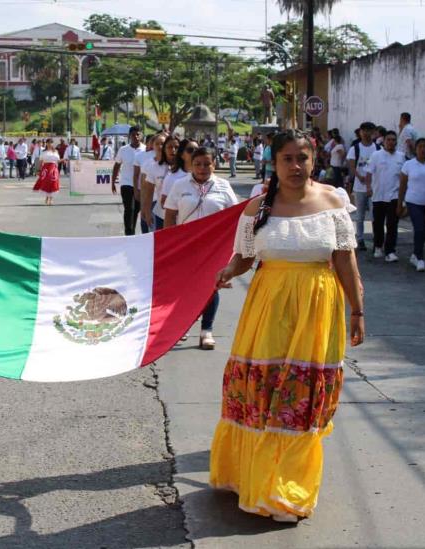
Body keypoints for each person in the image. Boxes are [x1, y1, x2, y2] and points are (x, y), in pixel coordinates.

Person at [211, 129, 364, 522]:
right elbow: (244, 257)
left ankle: (285, 491)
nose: (296, 166)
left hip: (318, 310)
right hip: (267, 308)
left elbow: (345, 261)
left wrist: (357, 310)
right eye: (287, 159)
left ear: (314, 160)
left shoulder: (333, 202)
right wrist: (228, 271)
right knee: (263, 391)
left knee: (300, 397)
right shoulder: (257, 208)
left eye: (303, 158)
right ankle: (251, 475)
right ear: (273, 162)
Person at [164, 147, 238, 349]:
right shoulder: (180, 185)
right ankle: (183, 326)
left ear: (214, 165)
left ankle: (206, 331)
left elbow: (236, 215)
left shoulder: (223, 186)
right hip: (186, 247)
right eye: (198, 164)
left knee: (211, 288)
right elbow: (170, 214)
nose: (202, 168)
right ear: (191, 165)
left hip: (214, 248)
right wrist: (169, 243)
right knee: (185, 288)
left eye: (207, 164)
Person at [366, 131, 405, 262]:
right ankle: (378, 246)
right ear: (384, 141)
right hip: (378, 195)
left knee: (392, 224)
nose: (391, 142)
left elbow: (404, 176)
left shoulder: (401, 156)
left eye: (393, 140)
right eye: (388, 139)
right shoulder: (376, 155)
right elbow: (369, 173)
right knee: (378, 223)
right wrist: (368, 187)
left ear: (396, 142)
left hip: (394, 195)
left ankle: (390, 251)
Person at [347, 121, 380, 251]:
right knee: (360, 215)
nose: (366, 133)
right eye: (364, 130)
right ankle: (360, 239)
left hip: (374, 188)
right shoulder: (355, 148)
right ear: (360, 132)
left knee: (374, 215)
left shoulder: (378, 148)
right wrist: (358, 176)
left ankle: (376, 239)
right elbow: (351, 164)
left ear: (373, 133)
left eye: (369, 131)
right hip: (359, 187)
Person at [398, 137, 425, 272]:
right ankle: (419, 257)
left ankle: (416, 253)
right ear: (415, 149)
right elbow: (402, 185)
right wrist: (400, 203)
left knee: (424, 231)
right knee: (419, 228)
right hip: (413, 202)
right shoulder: (408, 165)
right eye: (420, 146)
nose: (423, 149)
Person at [111, 126, 145, 236]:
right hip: (127, 184)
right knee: (129, 208)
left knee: (136, 210)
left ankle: (132, 230)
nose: (136, 136)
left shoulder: (145, 149)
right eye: (133, 134)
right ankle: (129, 234)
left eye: (138, 134)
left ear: (141, 135)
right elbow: (117, 165)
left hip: (141, 185)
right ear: (129, 136)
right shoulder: (123, 149)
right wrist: (113, 182)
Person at [140, 133, 168, 231]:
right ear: (152, 145)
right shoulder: (148, 164)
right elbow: (144, 187)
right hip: (153, 204)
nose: (160, 146)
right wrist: (144, 208)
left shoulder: (174, 164)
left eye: (163, 143)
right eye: (157, 144)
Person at [134, 135, 157, 234]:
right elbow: (136, 175)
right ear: (147, 143)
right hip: (144, 191)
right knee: (144, 219)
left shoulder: (160, 155)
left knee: (153, 222)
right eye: (153, 142)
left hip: (157, 196)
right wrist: (136, 190)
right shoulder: (140, 155)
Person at [32, 138, 61, 205]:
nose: (50, 144)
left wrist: (64, 160)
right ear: (46, 144)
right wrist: (38, 170)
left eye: (51, 143)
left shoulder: (55, 151)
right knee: (47, 182)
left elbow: (58, 160)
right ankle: (47, 197)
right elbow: (40, 161)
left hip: (54, 168)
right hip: (46, 169)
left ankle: (51, 199)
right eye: (48, 143)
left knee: (53, 182)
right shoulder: (43, 152)